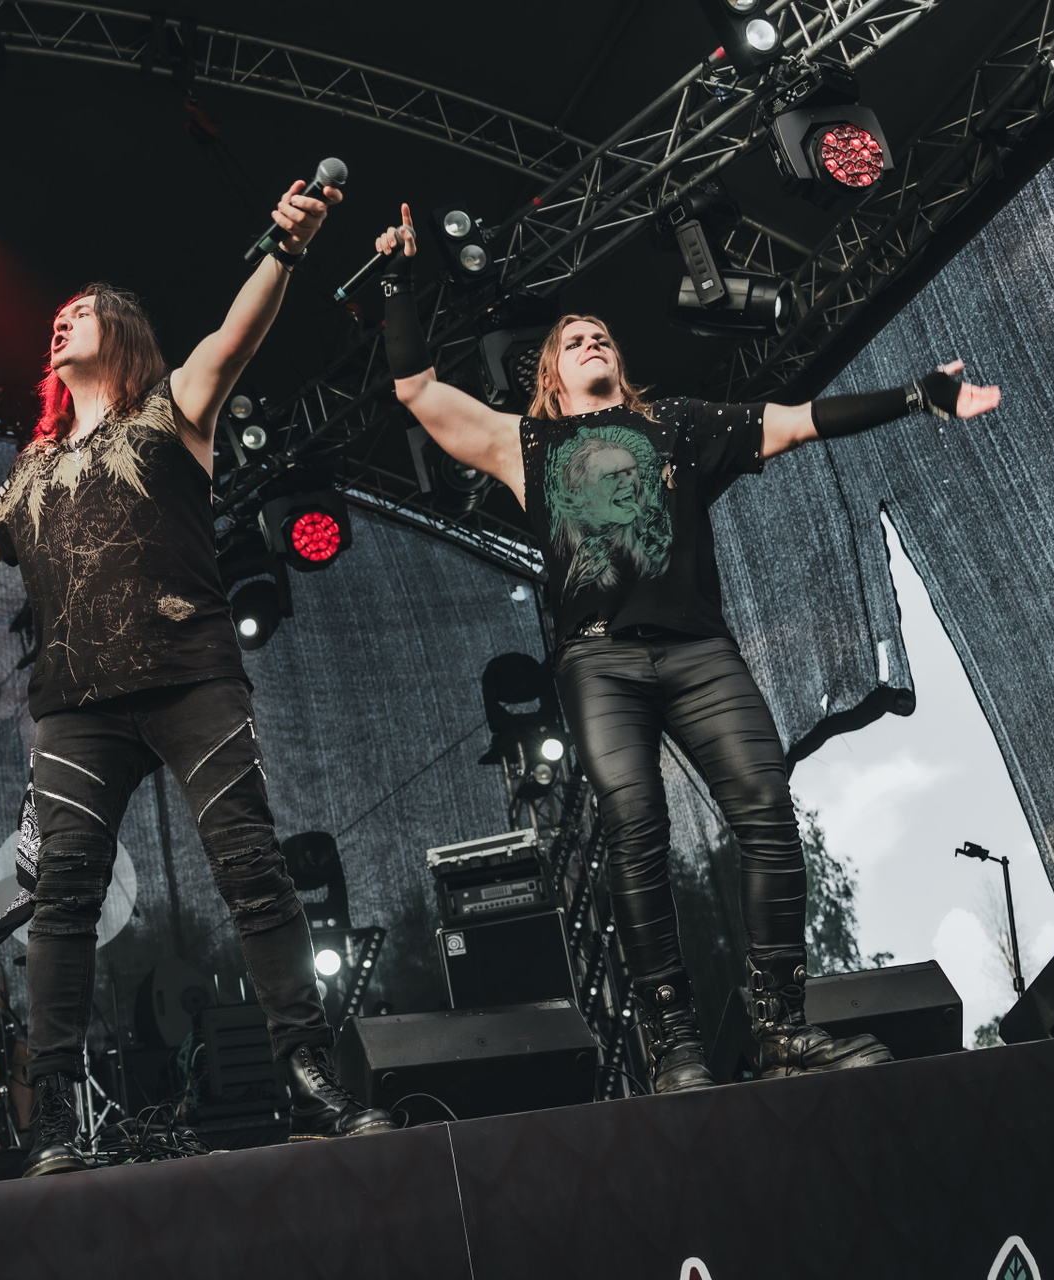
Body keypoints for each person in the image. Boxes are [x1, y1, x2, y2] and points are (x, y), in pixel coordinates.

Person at [0, 177, 393, 1176]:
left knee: (251, 866)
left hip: (190, 676)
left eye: (82, 312)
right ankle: (56, 1114)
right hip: (76, 707)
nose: (61, 323)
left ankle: (309, 1070)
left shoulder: (172, 409)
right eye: (56, 318)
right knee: (61, 898)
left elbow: (237, 336)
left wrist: (285, 246)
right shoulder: (31, 467)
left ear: (125, 333)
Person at [372, 205, 1002, 1091]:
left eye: (600, 335)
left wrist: (913, 397)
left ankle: (781, 1029)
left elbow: (797, 420)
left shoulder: (676, 423)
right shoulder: (526, 443)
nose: (590, 340)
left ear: (618, 361)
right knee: (637, 832)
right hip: (598, 662)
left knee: (769, 815)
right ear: (550, 373)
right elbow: (417, 390)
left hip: (701, 653)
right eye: (572, 340)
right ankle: (675, 1047)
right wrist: (396, 281)